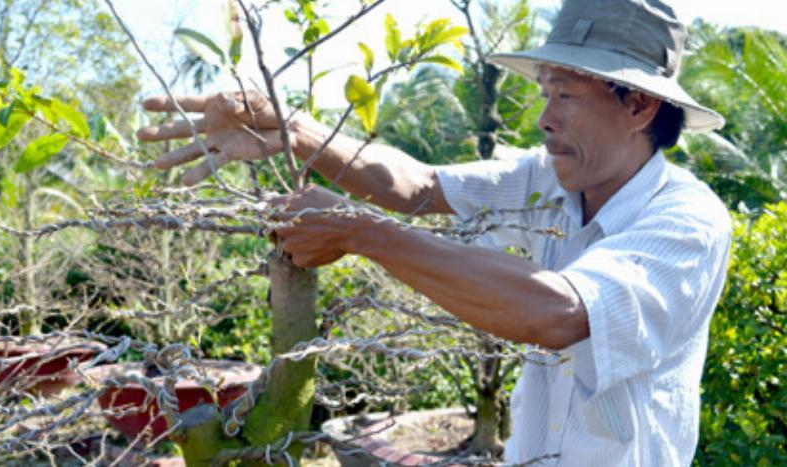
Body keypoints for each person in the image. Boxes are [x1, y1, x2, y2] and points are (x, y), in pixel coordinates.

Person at [137, 0, 731, 464]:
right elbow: (420, 187)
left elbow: (561, 314)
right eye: (545, 92)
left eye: (567, 96)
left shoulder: (685, 222)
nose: (546, 117)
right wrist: (292, 128)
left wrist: (360, 231)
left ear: (639, 109)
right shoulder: (548, 179)